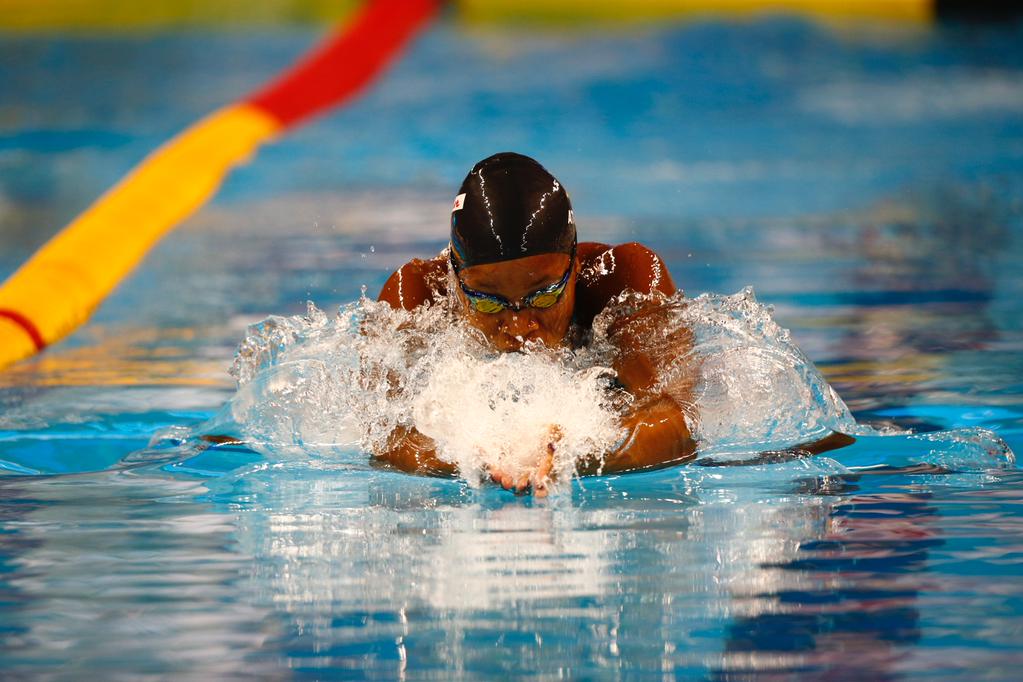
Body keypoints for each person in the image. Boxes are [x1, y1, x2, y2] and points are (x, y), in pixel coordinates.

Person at [375, 152, 850, 495]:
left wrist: (580, 452)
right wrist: (468, 453)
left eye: (543, 294)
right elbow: (386, 439)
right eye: (489, 301)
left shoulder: (627, 280)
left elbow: (675, 423)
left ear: (574, 266)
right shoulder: (414, 296)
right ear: (456, 281)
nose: (519, 325)